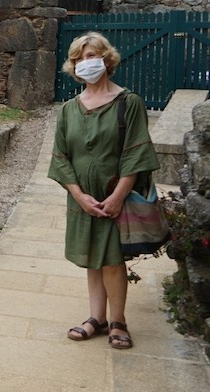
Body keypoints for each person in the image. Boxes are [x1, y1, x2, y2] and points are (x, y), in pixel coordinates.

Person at [48, 32, 158, 350]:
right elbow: (60, 157)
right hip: (82, 198)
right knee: (92, 257)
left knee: (111, 259)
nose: (86, 63)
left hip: (114, 196)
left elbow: (136, 154)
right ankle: (96, 318)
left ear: (107, 59)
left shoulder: (129, 103)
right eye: (80, 58)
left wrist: (118, 196)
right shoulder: (69, 109)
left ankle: (118, 320)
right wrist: (79, 195)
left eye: (92, 56)